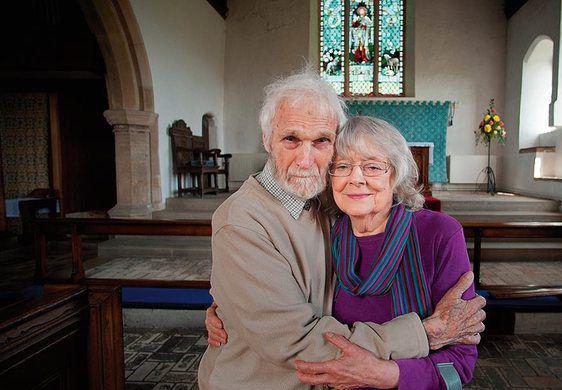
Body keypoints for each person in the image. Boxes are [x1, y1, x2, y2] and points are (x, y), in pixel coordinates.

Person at [198, 69, 486, 389]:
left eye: (321, 141)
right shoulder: (248, 223)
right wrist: (426, 333)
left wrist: (389, 375)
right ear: (266, 138)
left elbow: (458, 361)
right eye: (291, 138)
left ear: (396, 173)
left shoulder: (337, 213)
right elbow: (295, 339)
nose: (306, 159)